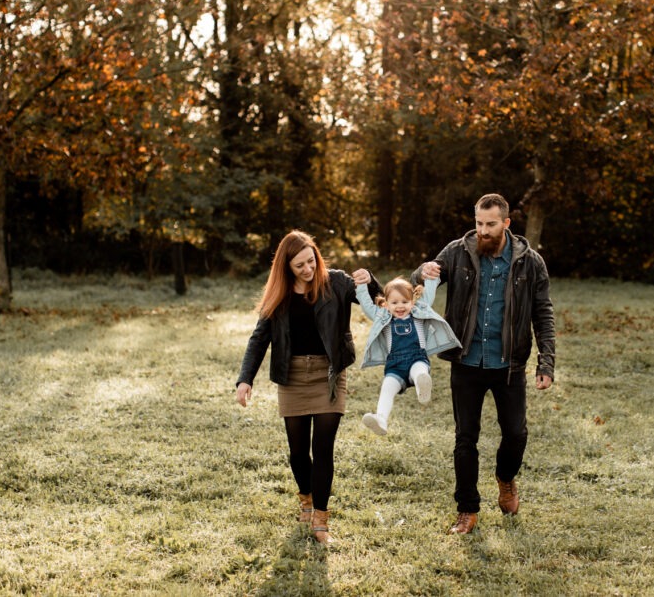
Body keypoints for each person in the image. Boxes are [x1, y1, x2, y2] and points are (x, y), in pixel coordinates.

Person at [412, 193, 555, 535]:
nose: (483, 231)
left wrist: (546, 362)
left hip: (509, 365)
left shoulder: (530, 262)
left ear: (506, 223)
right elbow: (420, 279)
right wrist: (422, 271)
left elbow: (543, 313)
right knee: (465, 438)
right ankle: (467, 510)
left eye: (491, 224)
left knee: (516, 434)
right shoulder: (457, 251)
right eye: (478, 223)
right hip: (466, 361)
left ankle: (506, 479)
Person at [235, 230, 379, 545]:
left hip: (329, 375)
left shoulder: (337, 283)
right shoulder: (279, 295)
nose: (308, 269)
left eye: (311, 261)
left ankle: (321, 519)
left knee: (323, 448)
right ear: (286, 267)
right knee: (298, 451)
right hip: (293, 376)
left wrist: (371, 279)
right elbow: (259, 338)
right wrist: (245, 378)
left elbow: (375, 300)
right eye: (299, 265)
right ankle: (305, 498)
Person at [352, 275, 460, 436]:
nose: (400, 306)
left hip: (417, 358)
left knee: (419, 370)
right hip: (395, 366)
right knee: (387, 388)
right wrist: (361, 287)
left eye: (404, 302)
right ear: (386, 304)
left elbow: (429, 294)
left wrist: (432, 278)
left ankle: (422, 386)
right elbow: (367, 306)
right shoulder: (383, 317)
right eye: (394, 303)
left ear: (412, 302)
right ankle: (381, 418)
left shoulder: (418, 313)